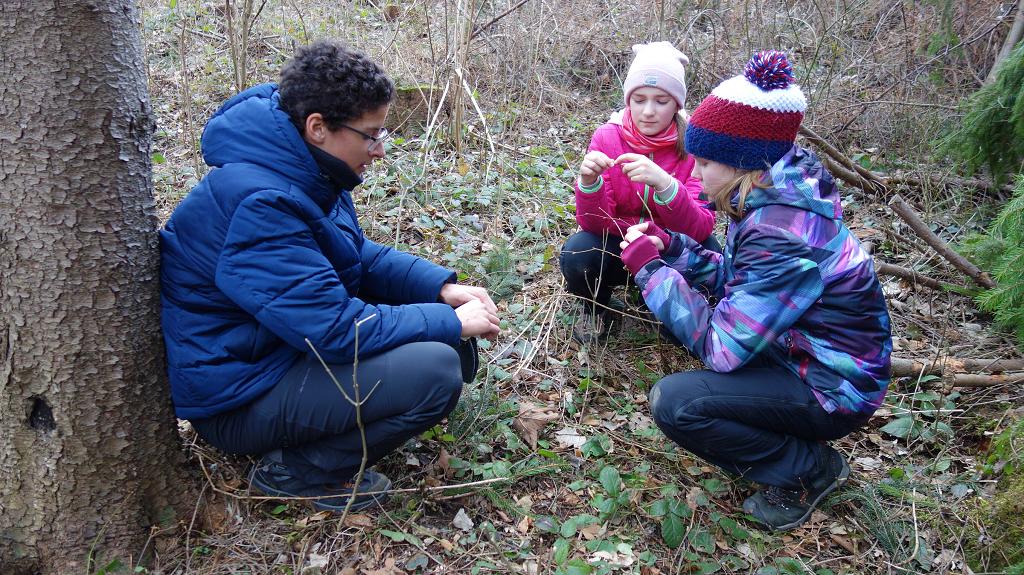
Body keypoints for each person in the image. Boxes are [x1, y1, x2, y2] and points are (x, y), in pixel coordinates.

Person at [159, 40, 500, 512]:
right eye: (371, 135)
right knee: (435, 371)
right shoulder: (262, 201)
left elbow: (352, 252)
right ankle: (295, 473)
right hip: (240, 396)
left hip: (272, 355)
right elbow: (335, 332)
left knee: (439, 339)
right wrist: (449, 322)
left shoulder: (304, 168)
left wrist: (438, 287)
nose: (379, 151)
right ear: (318, 127)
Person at [617, 51, 892, 531]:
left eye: (704, 161)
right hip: (799, 352)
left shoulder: (782, 229)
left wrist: (651, 273)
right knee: (692, 381)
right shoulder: (773, 196)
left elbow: (722, 348)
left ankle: (809, 469)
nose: (695, 175)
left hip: (835, 387)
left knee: (677, 403)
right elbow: (742, 286)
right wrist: (674, 248)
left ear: (745, 162)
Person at [559, 41, 717, 343]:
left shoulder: (694, 144)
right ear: (628, 99)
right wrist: (589, 184)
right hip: (621, 247)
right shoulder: (607, 136)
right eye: (639, 99)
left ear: (677, 105)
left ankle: (677, 307)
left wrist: (666, 186)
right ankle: (598, 308)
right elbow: (593, 224)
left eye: (661, 101)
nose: (647, 111)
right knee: (579, 251)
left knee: (712, 250)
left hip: (670, 248)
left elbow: (699, 227)